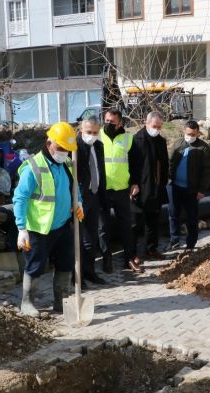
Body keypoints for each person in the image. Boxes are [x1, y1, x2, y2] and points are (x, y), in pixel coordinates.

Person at [13, 122, 84, 317]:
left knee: (65, 263)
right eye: (61, 148)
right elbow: (20, 198)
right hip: (38, 229)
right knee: (35, 266)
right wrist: (21, 228)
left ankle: (61, 302)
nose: (64, 153)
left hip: (63, 225)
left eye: (67, 150)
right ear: (49, 143)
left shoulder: (68, 163)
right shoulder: (33, 167)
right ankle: (27, 303)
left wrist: (79, 202)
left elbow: (75, 187)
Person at [98, 108, 143, 273]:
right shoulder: (97, 136)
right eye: (107, 121)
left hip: (122, 189)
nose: (108, 124)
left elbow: (136, 164)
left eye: (112, 122)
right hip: (101, 189)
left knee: (127, 225)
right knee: (103, 228)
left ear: (120, 123)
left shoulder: (128, 139)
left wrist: (136, 183)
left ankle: (129, 259)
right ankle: (106, 260)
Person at [167, 120, 210, 251]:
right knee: (173, 215)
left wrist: (202, 190)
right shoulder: (178, 144)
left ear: (198, 133)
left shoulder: (203, 148)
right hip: (174, 186)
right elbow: (170, 162)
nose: (190, 136)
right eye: (188, 133)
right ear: (184, 131)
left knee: (191, 217)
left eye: (193, 134)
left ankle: (191, 244)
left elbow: (207, 171)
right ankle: (174, 241)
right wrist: (168, 179)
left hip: (191, 190)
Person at [132, 111, 169, 260]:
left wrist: (164, 182)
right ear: (146, 123)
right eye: (154, 126)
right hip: (140, 188)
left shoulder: (161, 141)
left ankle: (151, 249)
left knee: (153, 221)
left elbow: (165, 163)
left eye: (159, 127)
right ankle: (133, 253)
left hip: (157, 187)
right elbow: (132, 164)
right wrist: (133, 183)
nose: (157, 130)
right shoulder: (136, 140)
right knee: (135, 223)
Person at [76, 116, 107, 285]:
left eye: (95, 132)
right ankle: (77, 277)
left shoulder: (98, 146)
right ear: (82, 130)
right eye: (89, 132)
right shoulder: (75, 147)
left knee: (91, 237)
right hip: (80, 197)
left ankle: (89, 272)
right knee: (78, 239)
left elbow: (100, 171)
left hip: (94, 196)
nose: (92, 135)